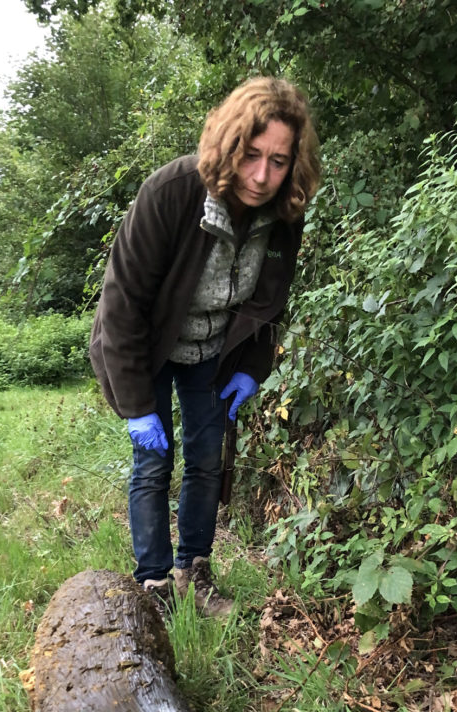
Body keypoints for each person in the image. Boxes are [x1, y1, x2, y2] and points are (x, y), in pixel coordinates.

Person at [89, 76, 320, 616]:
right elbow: (121, 305)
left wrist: (253, 368)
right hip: (148, 345)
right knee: (154, 460)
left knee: (205, 461)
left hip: (214, 352)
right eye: (251, 156)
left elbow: (271, 298)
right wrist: (136, 405)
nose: (262, 176)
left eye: (279, 161)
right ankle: (154, 586)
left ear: (294, 163)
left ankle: (194, 573)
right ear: (228, 146)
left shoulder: (285, 213)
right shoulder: (169, 194)